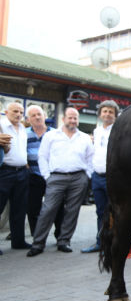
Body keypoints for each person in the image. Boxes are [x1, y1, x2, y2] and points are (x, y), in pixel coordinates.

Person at [27, 107, 94, 257]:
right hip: (56, 178)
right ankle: (38, 243)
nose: (73, 120)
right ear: (63, 119)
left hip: (78, 178)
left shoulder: (84, 137)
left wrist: (87, 176)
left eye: (75, 118)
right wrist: (47, 176)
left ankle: (64, 241)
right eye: (70, 117)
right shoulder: (51, 135)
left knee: (72, 211)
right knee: (48, 210)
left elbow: (91, 158)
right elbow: (42, 157)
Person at [82, 100, 119, 253]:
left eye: (111, 112)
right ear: (100, 114)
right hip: (97, 176)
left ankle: (115, 244)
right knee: (100, 212)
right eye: (104, 111)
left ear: (115, 115)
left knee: (114, 212)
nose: (107, 114)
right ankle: (101, 243)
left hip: (113, 178)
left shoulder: (118, 130)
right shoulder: (96, 132)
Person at [26, 105, 64, 240]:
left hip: (53, 177)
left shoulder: (56, 133)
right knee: (33, 209)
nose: (37, 117)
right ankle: (37, 237)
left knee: (58, 208)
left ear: (45, 116)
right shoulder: (24, 134)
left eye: (39, 114)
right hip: (33, 176)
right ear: (28, 119)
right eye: (33, 115)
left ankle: (61, 237)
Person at [0, 102, 31, 254]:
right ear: (6, 112)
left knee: (19, 209)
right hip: (4, 172)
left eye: (21, 111)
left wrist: (25, 164)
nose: (18, 114)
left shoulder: (23, 129)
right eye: (15, 111)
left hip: (21, 173)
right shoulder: (1, 125)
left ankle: (18, 241)